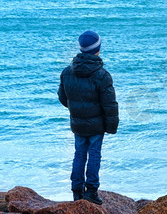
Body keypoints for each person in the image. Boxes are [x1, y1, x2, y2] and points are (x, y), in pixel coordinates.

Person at [58, 30, 119, 204]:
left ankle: (77, 191)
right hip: (96, 125)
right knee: (94, 155)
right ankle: (91, 191)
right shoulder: (102, 75)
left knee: (79, 154)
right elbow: (110, 105)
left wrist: (77, 110)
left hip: (78, 123)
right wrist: (111, 126)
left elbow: (63, 98)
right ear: (97, 50)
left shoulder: (67, 72)